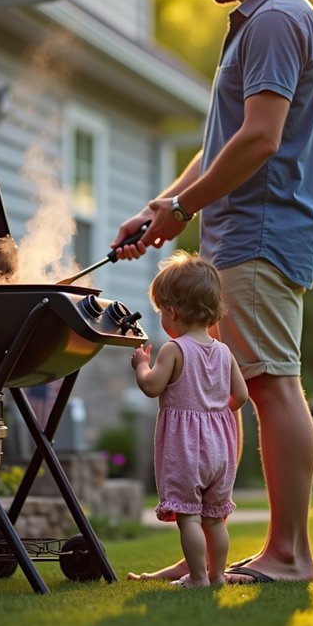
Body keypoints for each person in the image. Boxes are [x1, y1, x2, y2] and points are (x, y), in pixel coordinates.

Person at [112, 0, 313, 584]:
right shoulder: (255, 24)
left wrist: (182, 209)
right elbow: (223, 145)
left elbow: (260, 140)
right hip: (243, 232)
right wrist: (160, 205)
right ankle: (205, 555)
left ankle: (289, 554)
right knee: (230, 393)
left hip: (262, 231)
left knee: (270, 385)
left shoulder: (275, 20)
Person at [129, 251, 248, 588]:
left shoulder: (174, 349)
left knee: (190, 518)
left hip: (186, 449)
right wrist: (213, 411)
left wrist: (141, 364)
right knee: (215, 519)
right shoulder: (224, 352)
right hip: (220, 447)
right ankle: (217, 576)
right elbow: (240, 396)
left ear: (172, 311)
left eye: (160, 311)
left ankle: (197, 577)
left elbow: (152, 386)